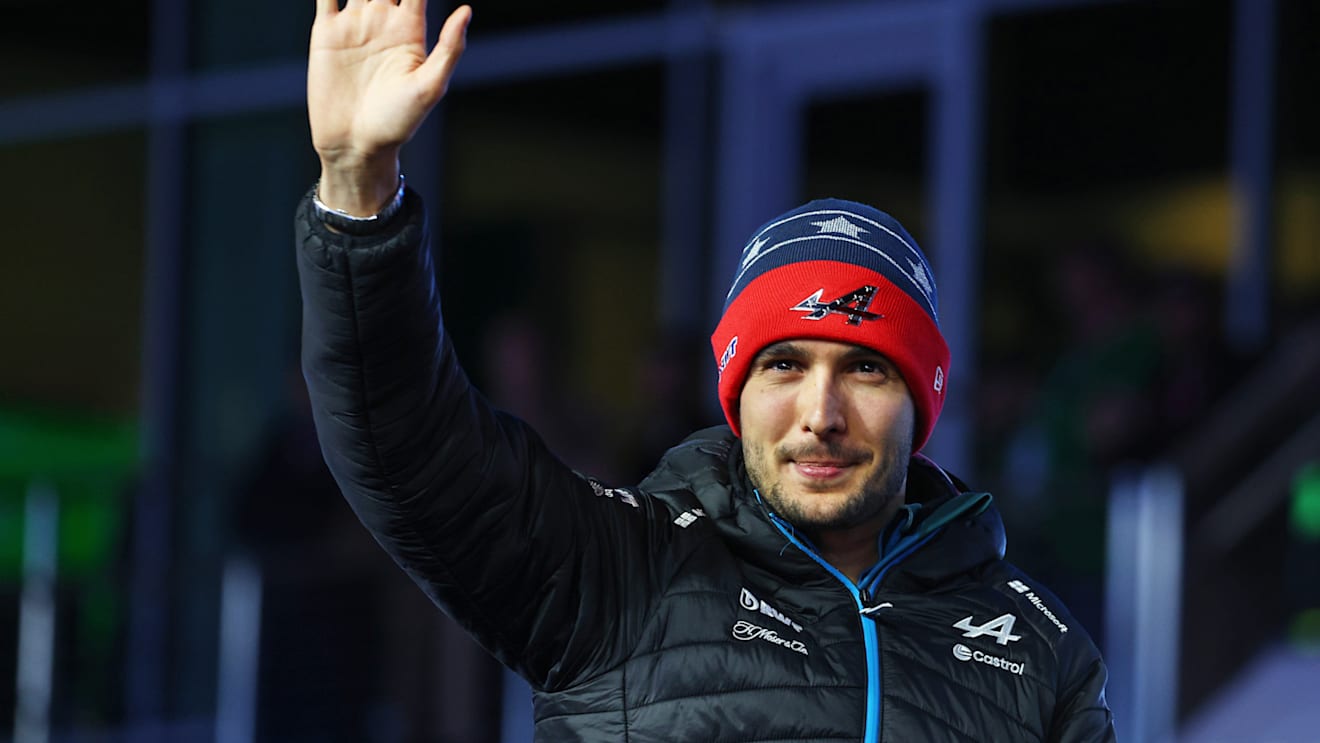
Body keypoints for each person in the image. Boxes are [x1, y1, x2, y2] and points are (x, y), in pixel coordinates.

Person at [296, 1, 1115, 740]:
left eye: (866, 369)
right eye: (784, 364)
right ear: (734, 390)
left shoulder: (1038, 649)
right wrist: (358, 189)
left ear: (922, 398)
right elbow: (408, 444)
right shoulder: (623, 568)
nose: (820, 411)